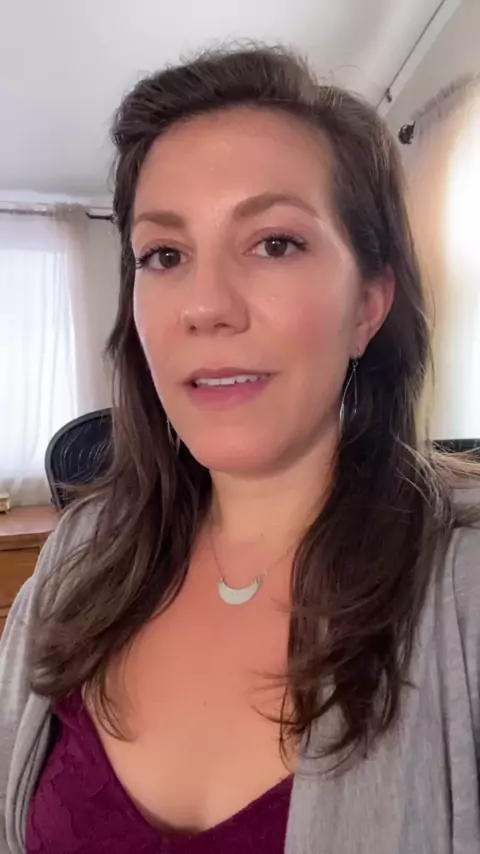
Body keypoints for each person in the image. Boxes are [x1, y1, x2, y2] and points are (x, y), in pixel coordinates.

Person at [1, 45, 480, 854]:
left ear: (367, 305)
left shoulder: (463, 594)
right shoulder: (75, 561)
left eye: (275, 243)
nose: (206, 306)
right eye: (164, 255)